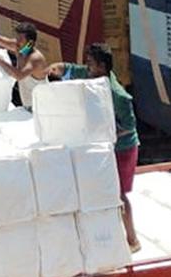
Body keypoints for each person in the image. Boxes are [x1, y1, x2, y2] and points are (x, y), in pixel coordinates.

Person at [49, 43, 141, 252]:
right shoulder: (92, 78)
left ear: (101, 66)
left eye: (90, 63)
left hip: (123, 149)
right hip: (105, 146)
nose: (86, 66)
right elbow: (70, 69)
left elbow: (128, 126)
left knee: (118, 193)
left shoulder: (117, 94)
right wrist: (55, 68)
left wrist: (104, 134)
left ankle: (132, 240)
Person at [0, 22, 48, 109]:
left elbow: (19, 75)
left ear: (30, 43)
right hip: (29, 105)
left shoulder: (35, 59)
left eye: (20, 40)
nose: (17, 42)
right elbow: (0, 40)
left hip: (40, 106)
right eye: (16, 38)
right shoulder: (22, 49)